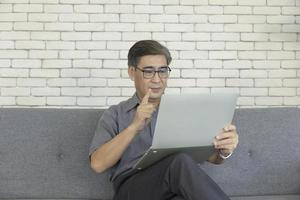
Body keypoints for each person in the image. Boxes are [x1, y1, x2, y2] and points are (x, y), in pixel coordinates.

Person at [89, 40, 239, 200]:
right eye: (148, 71)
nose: (157, 79)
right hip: (131, 189)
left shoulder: (182, 112)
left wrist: (223, 152)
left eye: (163, 71)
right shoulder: (115, 113)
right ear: (132, 72)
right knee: (179, 161)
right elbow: (98, 165)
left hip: (173, 188)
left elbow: (211, 158)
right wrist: (134, 127)